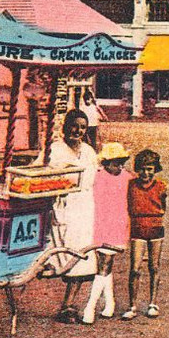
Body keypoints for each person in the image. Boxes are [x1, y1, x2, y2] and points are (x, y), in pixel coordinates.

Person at [46, 109, 99, 323]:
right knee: (63, 254)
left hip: (85, 208)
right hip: (63, 206)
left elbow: (95, 178)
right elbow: (40, 172)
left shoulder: (88, 151)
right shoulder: (54, 149)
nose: (77, 131)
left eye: (82, 127)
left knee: (82, 255)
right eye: (74, 126)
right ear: (65, 127)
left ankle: (68, 305)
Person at [80, 141, 129, 324]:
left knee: (105, 265)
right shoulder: (97, 177)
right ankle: (110, 303)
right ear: (106, 163)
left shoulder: (126, 177)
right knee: (104, 265)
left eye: (121, 162)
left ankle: (90, 306)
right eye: (115, 163)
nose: (119, 166)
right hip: (100, 224)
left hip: (117, 225)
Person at [123, 148, 167, 319]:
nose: (145, 172)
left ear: (155, 169)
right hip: (137, 228)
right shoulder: (131, 185)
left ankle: (153, 302)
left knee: (154, 266)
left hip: (156, 227)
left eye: (149, 169)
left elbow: (163, 206)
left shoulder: (161, 186)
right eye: (142, 168)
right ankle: (132, 305)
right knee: (135, 268)